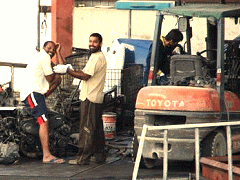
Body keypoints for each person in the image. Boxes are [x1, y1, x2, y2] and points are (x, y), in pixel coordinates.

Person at [53, 33, 107, 165]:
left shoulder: (97, 58)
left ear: (100, 44)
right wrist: (63, 60)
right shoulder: (95, 56)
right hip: (95, 97)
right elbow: (77, 71)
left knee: (86, 129)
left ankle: (83, 158)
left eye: (95, 42)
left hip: (90, 98)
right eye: (90, 41)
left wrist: (67, 71)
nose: (91, 44)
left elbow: (85, 76)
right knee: (97, 129)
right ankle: (100, 156)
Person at [20, 41, 68, 164]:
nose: (51, 50)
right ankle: (46, 155)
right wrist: (56, 75)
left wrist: (58, 52)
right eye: (49, 48)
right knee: (43, 121)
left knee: (58, 79)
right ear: (43, 48)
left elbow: (62, 69)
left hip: (37, 93)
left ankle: (45, 152)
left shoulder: (43, 57)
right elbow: (50, 78)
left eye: (53, 48)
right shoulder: (44, 56)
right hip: (32, 92)